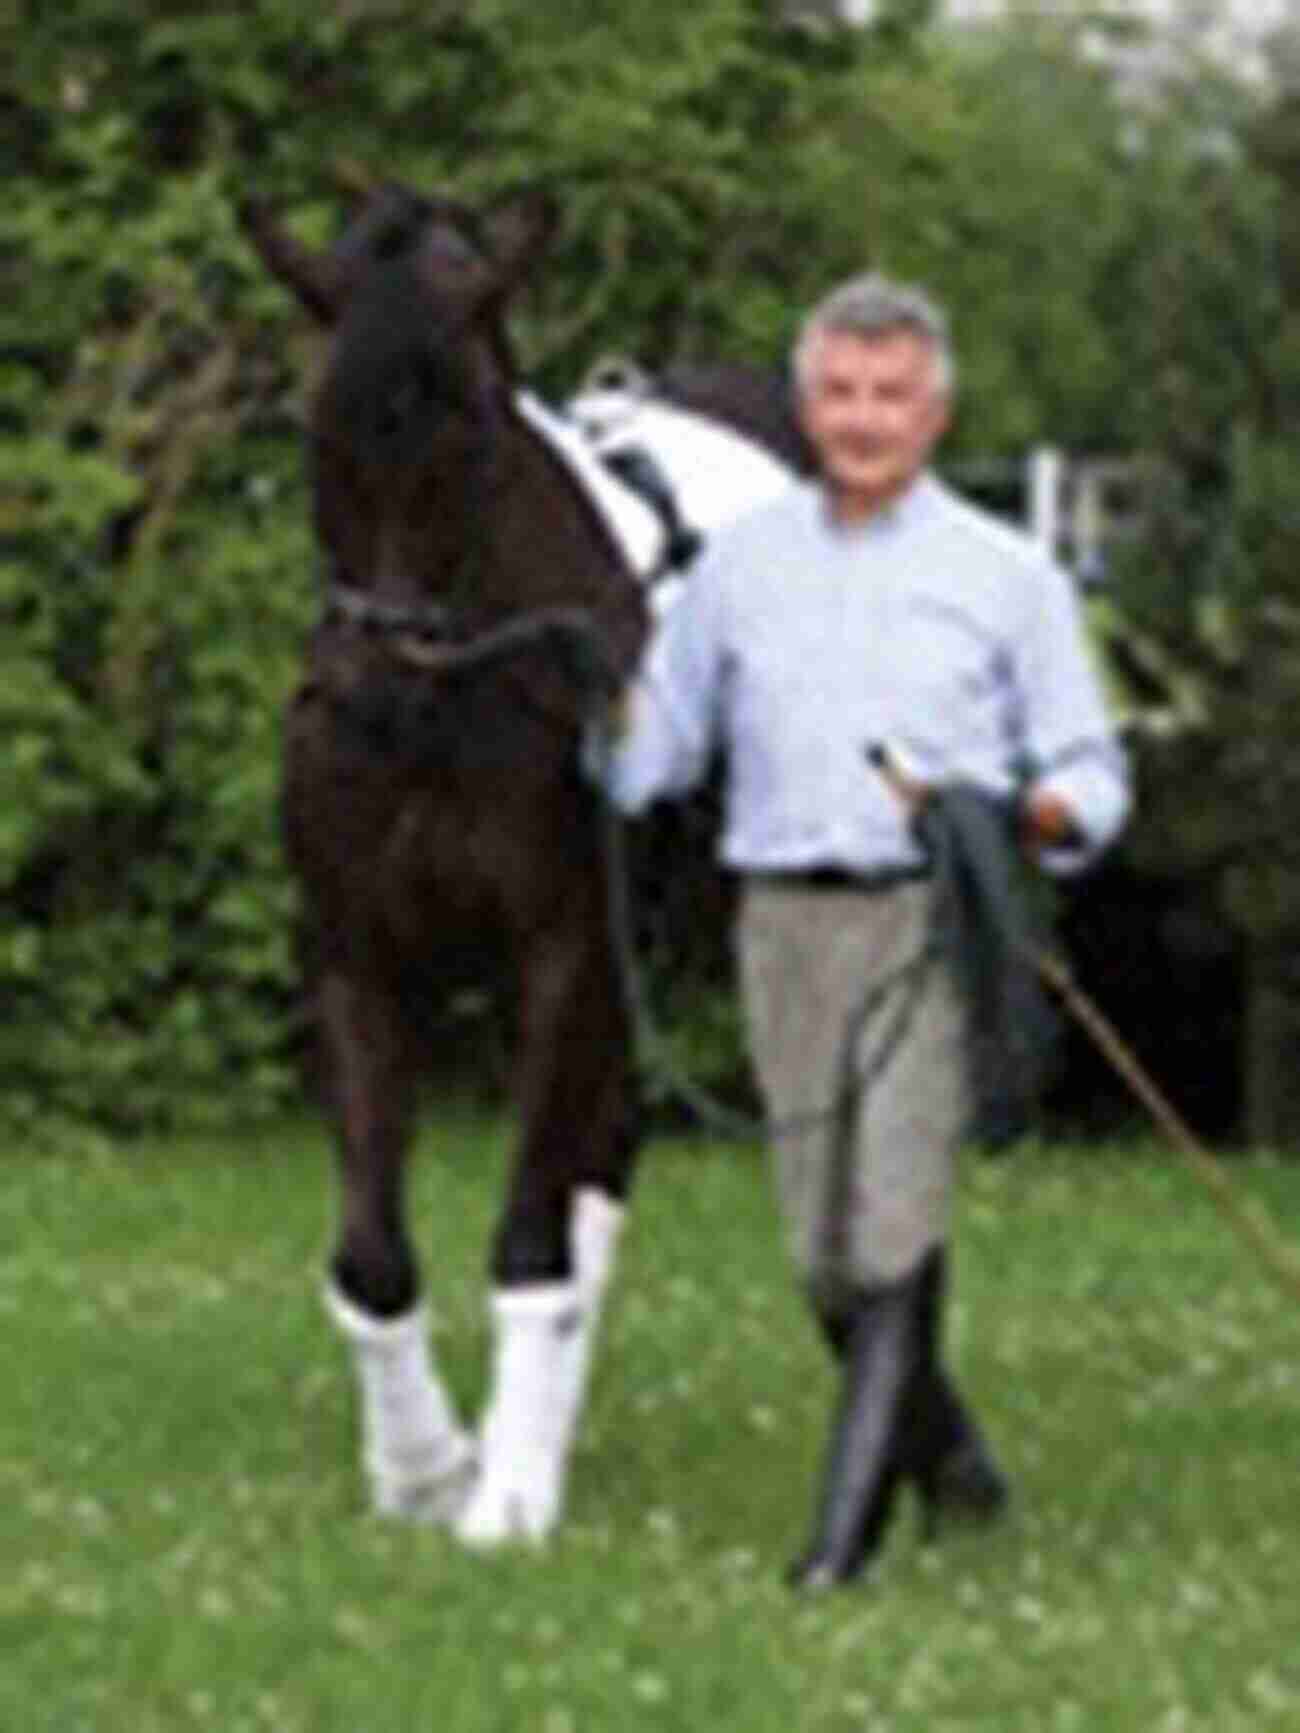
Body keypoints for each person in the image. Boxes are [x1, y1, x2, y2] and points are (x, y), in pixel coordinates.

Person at [594, 272, 1130, 1590]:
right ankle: (957, 1466)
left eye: (891, 393)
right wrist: (590, 714)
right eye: (839, 392)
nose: (864, 418)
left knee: (894, 1231)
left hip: (933, 924)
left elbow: (1094, 769)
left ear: (936, 412)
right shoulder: (735, 569)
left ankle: (835, 1557)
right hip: (779, 921)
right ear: (806, 404)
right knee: (823, 1258)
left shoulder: (1008, 576)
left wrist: (1040, 811)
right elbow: (657, 754)